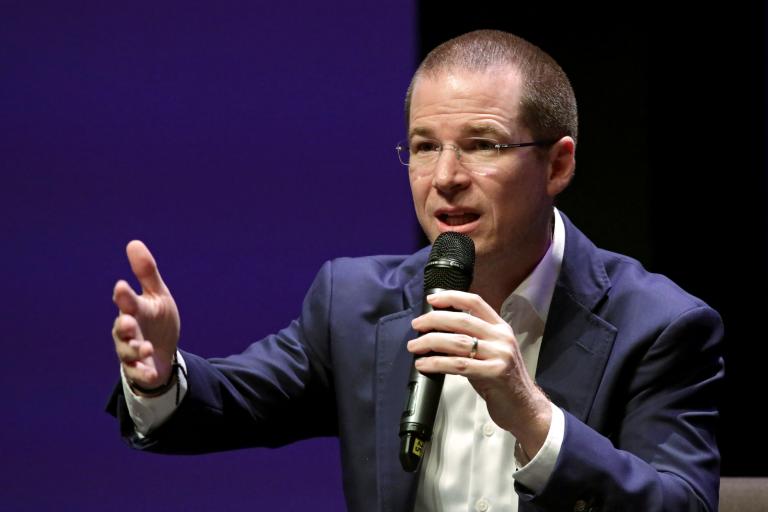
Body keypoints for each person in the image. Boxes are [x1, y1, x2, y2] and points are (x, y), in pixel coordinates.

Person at [107, 30, 723, 511]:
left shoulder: (660, 326)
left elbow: (681, 504)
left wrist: (532, 416)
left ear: (557, 167)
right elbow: (229, 404)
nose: (445, 177)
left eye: (483, 144)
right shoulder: (354, 302)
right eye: (425, 146)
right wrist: (161, 377)